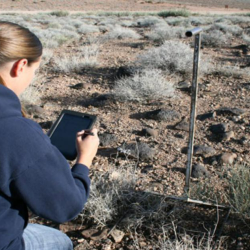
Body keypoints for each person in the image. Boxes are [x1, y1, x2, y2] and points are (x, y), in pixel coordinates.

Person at [0, 21, 99, 250]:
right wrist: (84, 161)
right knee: (60, 241)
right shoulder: (16, 132)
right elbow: (64, 206)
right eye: (35, 70)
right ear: (20, 66)